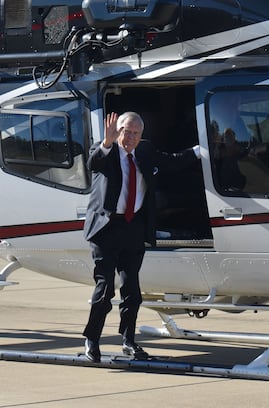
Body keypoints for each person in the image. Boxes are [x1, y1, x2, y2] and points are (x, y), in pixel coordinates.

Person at [82, 111, 200, 362]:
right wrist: (107, 142)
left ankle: (128, 341)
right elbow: (94, 163)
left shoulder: (145, 151)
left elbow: (171, 161)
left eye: (136, 133)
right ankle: (92, 340)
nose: (130, 137)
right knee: (105, 291)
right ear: (117, 130)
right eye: (126, 131)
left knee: (132, 291)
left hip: (134, 227)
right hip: (106, 229)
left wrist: (202, 150)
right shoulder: (106, 149)